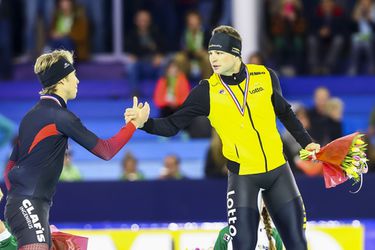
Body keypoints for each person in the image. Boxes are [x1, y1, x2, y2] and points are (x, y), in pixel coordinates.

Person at [126, 25, 320, 250]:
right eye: (210, 53)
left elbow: (285, 113)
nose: (213, 59)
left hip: (279, 171)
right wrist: (144, 124)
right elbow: (171, 125)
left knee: (297, 243)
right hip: (243, 178)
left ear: (235, 53)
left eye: (219, 53)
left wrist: (307, 142)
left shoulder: (265, 76)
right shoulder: (206, 91)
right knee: (243, 246)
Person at [3, 49, 150, 250]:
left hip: (28, 206)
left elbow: (10, 167)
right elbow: (106, 150)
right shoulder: (61, 117)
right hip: (31, 205)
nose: (78, 81)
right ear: (62, 81)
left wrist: (17, 202)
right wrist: (134, 124)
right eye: (74, 75)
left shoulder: (31, 116)